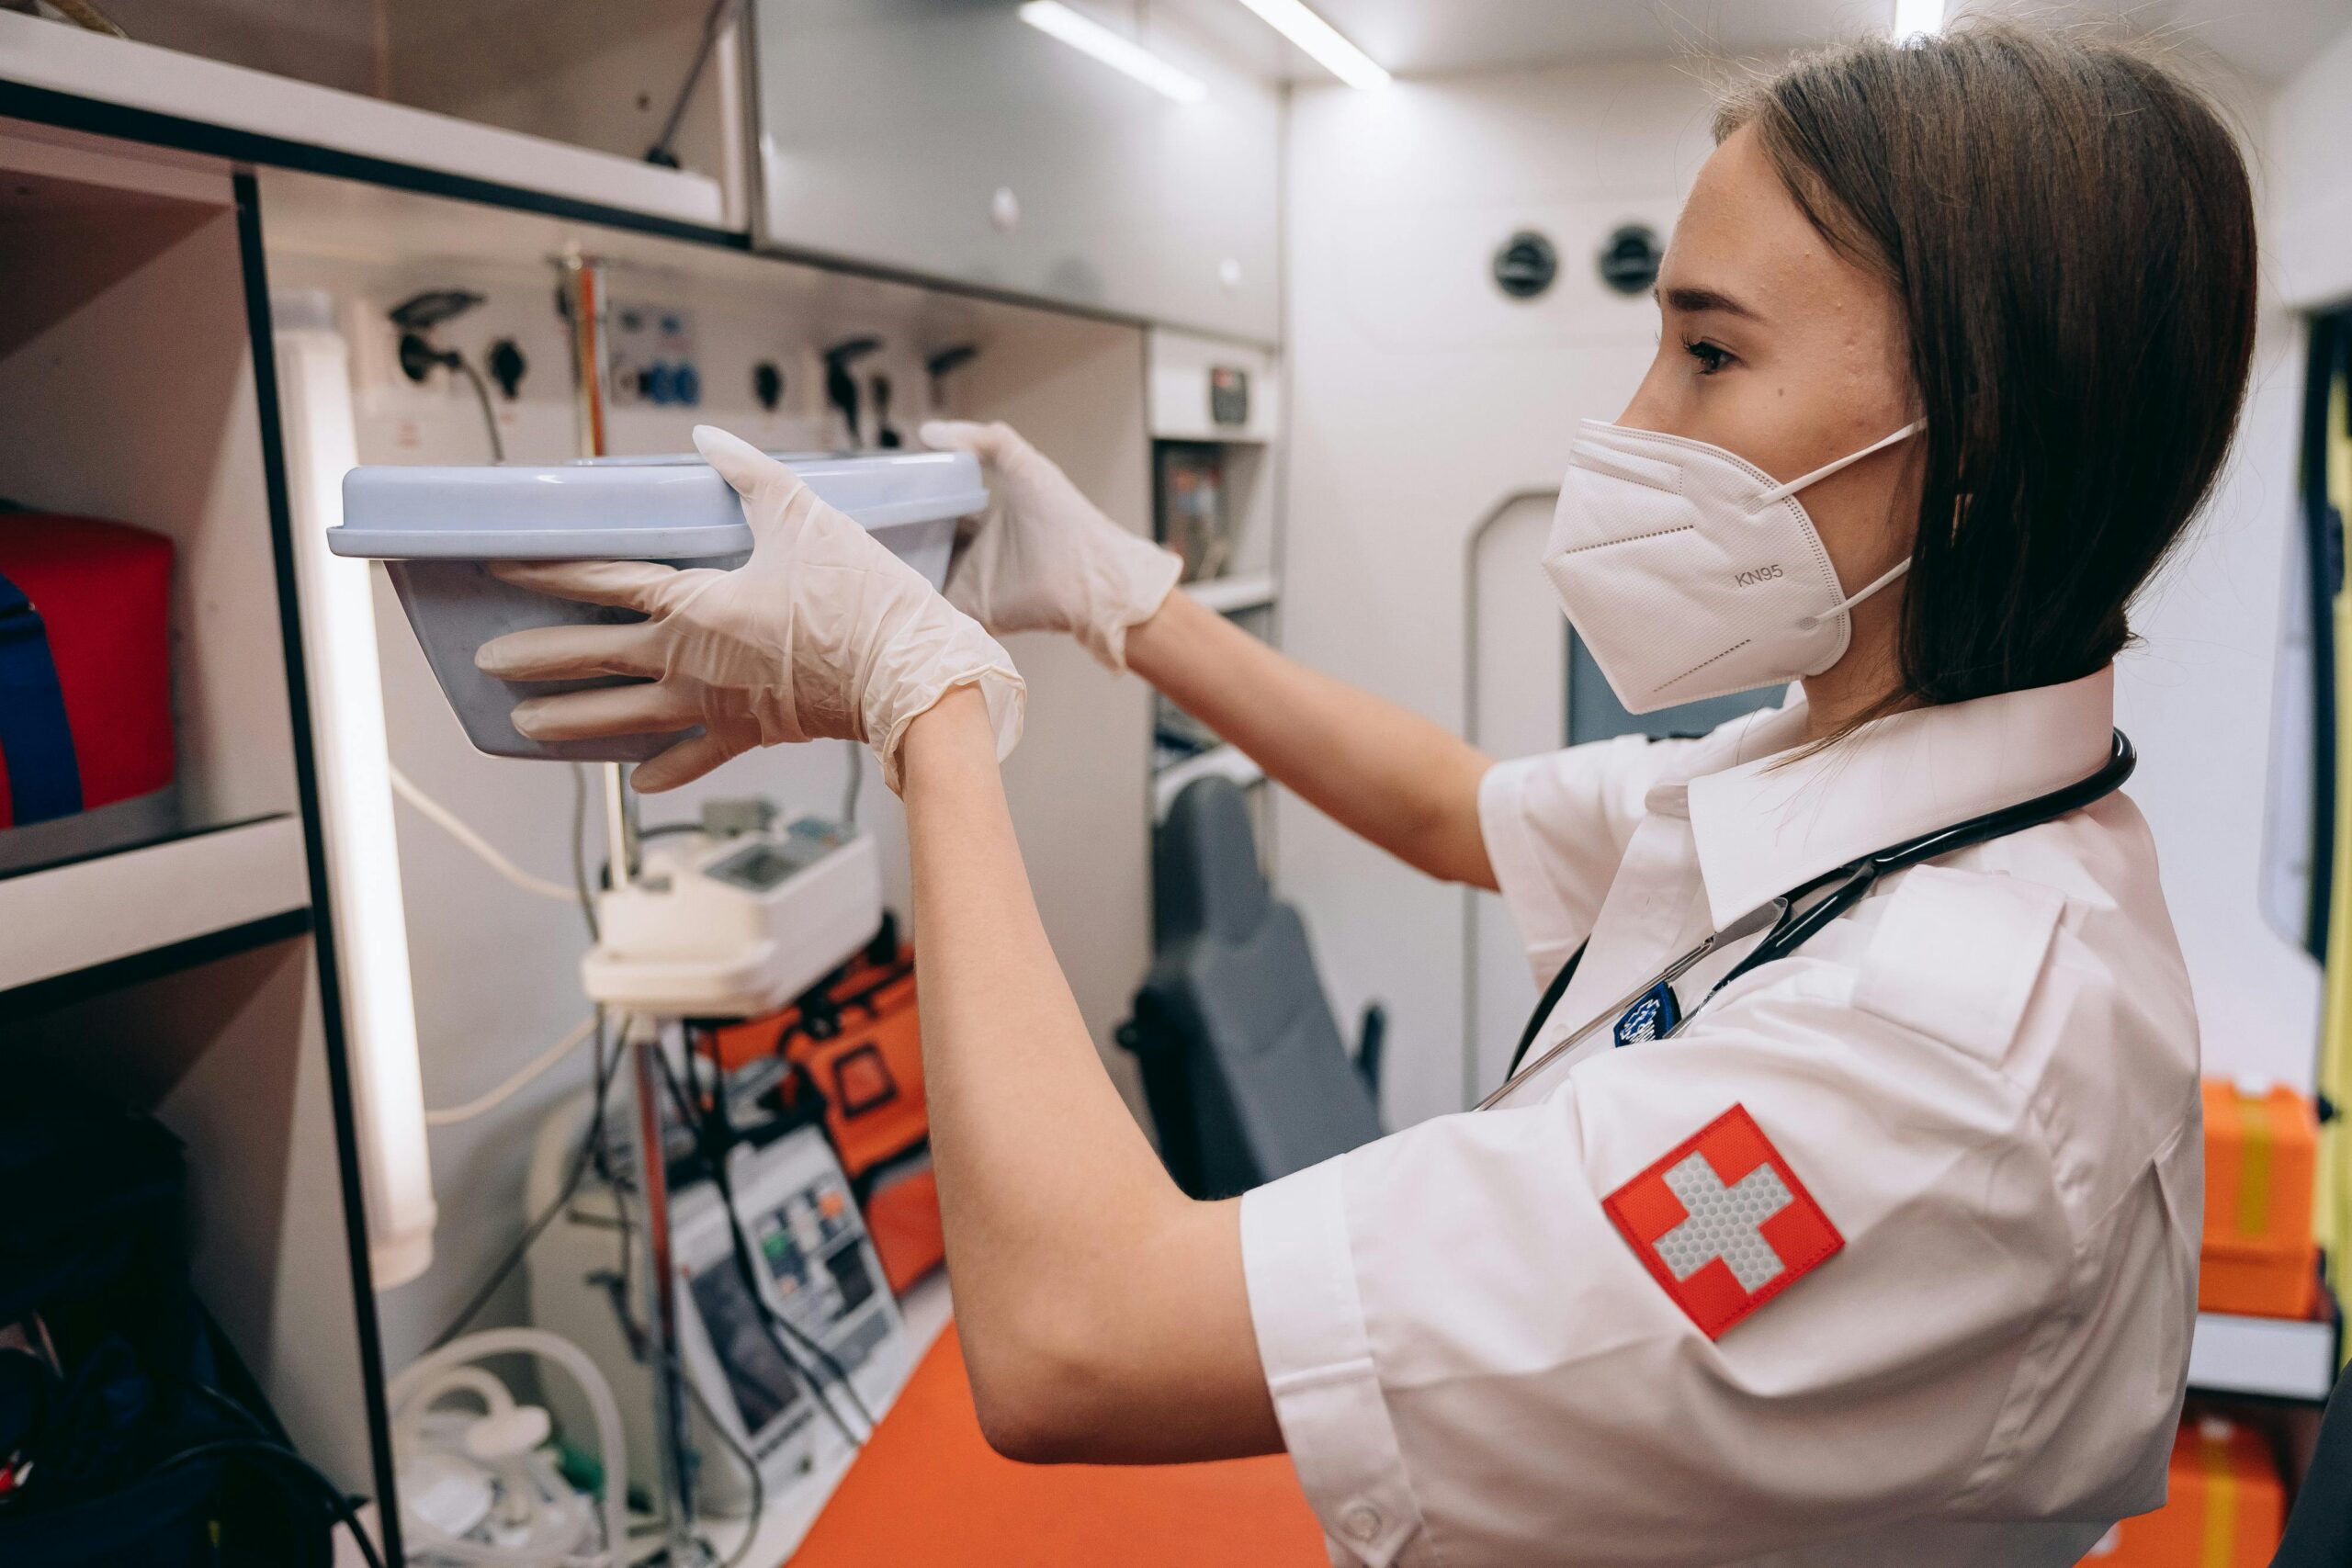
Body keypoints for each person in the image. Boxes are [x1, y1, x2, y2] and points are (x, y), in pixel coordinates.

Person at [473, 22, 2257, 1567]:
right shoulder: (1861, 778)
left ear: (1979, 453)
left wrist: (924, 706)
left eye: (1706, 353)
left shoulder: (1920, 1074)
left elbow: (1068, 1337)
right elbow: (1452, 801)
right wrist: (1119, 595)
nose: (1629, 421)